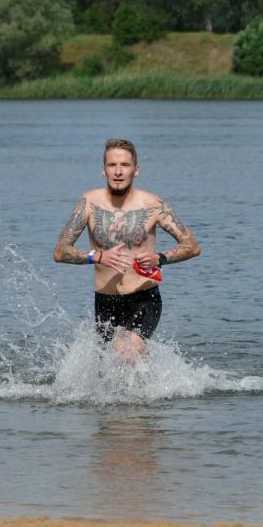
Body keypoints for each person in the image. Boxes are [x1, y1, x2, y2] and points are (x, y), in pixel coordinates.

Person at [53, 138, 201, 360]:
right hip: (105, 301)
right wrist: (98, 256)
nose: (118, 171)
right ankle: (150, 374)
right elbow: (60, 252)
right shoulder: (89, 203)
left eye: (125, 165)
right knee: (106, 370)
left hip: (144, 299)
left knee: (124, 352)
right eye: (112, 165)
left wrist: (159, 258)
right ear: (103, 170)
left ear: (136, 170)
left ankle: (139, 359)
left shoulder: (153, 204)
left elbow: (192, 246)